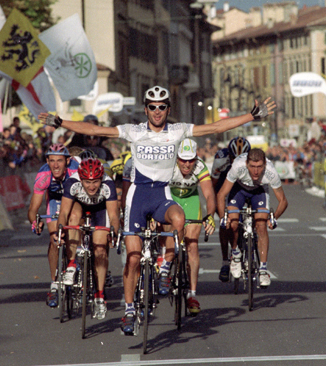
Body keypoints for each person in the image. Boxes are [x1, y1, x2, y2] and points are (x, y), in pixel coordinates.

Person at [39, 86, 276, 335]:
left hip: (162, 194)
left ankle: (164, 265)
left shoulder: (177, 130)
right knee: (133, 258)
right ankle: (129, 312)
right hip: (138, 197)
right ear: (146, 109)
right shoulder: (134, 131)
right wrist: (60, 121)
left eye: (162, 106)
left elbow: (216, 127)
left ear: (168, 109)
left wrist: (252, 116)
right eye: (152, 106)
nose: (157, 111)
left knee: (179, 218)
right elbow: (95, 129)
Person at [56, 158, 120, 319]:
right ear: (81, 179)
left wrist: (113, 232)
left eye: (95, 182)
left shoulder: (108, 184)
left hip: (100, 210)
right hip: (80, 206)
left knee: (100, 249)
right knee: (73, 218)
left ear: (101, 179)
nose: (91, 186)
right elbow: (63, 212)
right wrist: (60, 231)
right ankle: (71, 265)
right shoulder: (72, 183)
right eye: (87, 182)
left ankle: (99, 296)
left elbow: (113, 216)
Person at [216, 148, 288, 288]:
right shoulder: (237, 166)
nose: (256, 171)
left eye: (259, 167)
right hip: (239, 189)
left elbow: (283, 201)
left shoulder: (270, 172)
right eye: (252, 167)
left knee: (261, 226)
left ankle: (263, 270)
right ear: (246, 164)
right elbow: (221, 195)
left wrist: (273, 218)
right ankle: (236, 254)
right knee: (233, 222)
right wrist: (223, 217)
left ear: (265, 165)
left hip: (259, 191)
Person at [27, 143, 80, 307]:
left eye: (60, 161)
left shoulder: (75, 170)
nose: (56, 165)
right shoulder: (43, 174)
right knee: (54, 240)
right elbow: (33, 208)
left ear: (67, 161)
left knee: (73, 221)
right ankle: (54, 283)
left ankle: (72, 263)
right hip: (55, 199)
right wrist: (35, 222)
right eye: (52, 161)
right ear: (47, 161)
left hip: (75, 198)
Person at [167, 138, 216, 315]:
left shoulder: (200, 167)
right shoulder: (169, 164)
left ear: (196, 158)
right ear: (176, 157)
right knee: (168, 237)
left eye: (190, 160)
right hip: (170, 199)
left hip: (190, 201)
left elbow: (209, 194)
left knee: (192, 245)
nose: (187, 164)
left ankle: (192, 294)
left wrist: (210, 216)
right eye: (183, 160)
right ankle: (164, 262)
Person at [210, 136, 251, 283]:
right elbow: (213, 185)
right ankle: (225, 262)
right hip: (224, 186)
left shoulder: (253, 160)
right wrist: (216, 206)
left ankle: (252, 242)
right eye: (234, 158)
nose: (238, 161)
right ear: (229, 154)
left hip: (244, 186)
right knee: (224, 223)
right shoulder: (220, 158)